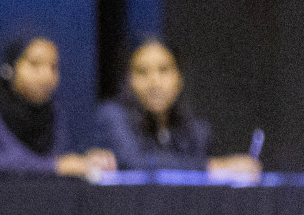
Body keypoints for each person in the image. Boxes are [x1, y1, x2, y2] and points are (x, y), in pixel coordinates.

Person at [0, 33, 116, 175]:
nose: (47, 76)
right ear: (9, 68)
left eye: (53, 67)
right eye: (35, 64)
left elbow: (59, 165)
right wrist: (55, 167)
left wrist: (87, 161)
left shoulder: (52, 114)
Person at [93, 36, 260, 176]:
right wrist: (213, 167)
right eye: (142, 72)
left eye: (164, 70)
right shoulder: (113, 116)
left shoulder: (195, 128)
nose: (155, 82)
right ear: (128, 80)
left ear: (179, 78)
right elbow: (131, 162)